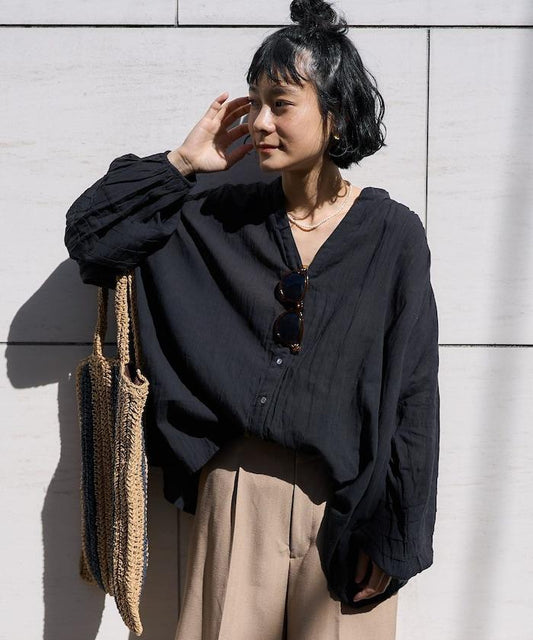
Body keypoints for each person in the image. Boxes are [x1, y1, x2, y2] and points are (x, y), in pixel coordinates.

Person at [65, 0, 440, 638]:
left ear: (335, 114)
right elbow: (92, 237)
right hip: (237, 496)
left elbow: (414, 391)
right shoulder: (220, 221)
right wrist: (183, 164)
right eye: (256, 103)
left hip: (349, 509)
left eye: (281, 104)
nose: (261, 122)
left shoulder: (393, 235)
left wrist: (398, 534)